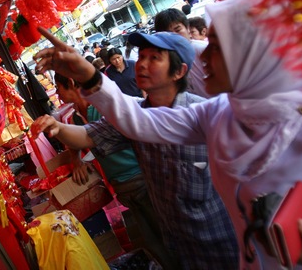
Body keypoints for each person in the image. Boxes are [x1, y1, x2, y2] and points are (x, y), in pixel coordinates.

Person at [33, 0, 302, 269]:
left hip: (222, 244)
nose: (203, 57)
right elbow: (138, 122)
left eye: (215, 46)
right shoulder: (215, 114)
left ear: (251, 53)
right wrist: (87, 75)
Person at [33, 32, 238, 269]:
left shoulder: (204, 113)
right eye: (141, 56)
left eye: (154, 58)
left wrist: (87, 75)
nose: (141, 64)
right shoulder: (135, 112)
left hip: (223, 240)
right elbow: (89, 135)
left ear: (179, 71)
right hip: (180, 241)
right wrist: (57, 127)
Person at [48, 72, 178, 269]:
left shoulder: (103, 108)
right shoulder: (73, 116)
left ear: (72, 83)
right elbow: (78, 140)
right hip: (123, 187)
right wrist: (76, 160)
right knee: (152, 240)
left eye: (59, 87)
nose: (57, 92)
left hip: (141, 179)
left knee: (167, 236)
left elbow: (90, 136)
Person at [154, 8, 210, 98]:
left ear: (187, 28)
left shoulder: (203, 49)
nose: (174, 36)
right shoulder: (165, 63)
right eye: (168, 33)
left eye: (178, 30)